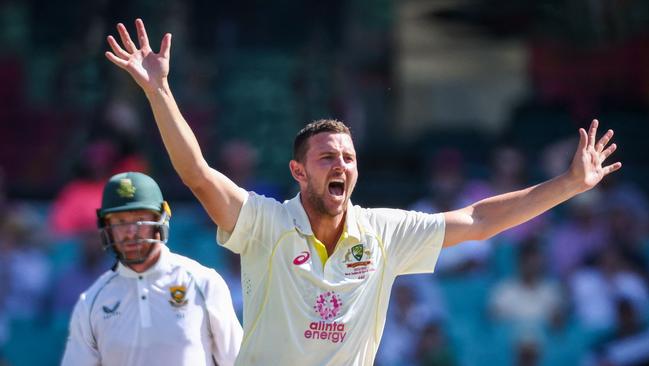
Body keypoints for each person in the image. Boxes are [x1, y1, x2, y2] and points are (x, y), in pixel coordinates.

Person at [104, 19, 622, 365]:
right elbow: (197, 173)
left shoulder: (384, 232)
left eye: (348, 158)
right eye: (327, 157)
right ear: (298, 172)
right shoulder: (265, 222)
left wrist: (569, 184)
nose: (341, 165)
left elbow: (481, 219)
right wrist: (159, 90)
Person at [60, 172, 242, 366]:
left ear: (160, 221)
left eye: (139, 219)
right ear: (107, 228)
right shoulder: (92, 302)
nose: (130, 232)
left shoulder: (204, 283)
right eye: (120, 222)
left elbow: (238, 361)